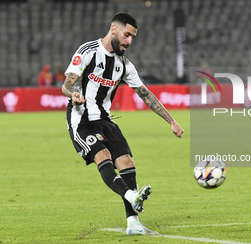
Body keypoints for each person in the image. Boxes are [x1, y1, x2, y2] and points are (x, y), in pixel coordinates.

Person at [61, 13, 184, 236]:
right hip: (82, 120)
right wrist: (75, 93)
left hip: (105, 120)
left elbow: (145, 94)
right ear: (114, 30)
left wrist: (172, 121)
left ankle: (133, 223)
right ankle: (130, 195)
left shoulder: (124, 65)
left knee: (126, 161)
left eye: (132, 38)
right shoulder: (88, 51)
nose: (129, 41)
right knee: (103, 156)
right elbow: (67, 84)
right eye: (127, 35)